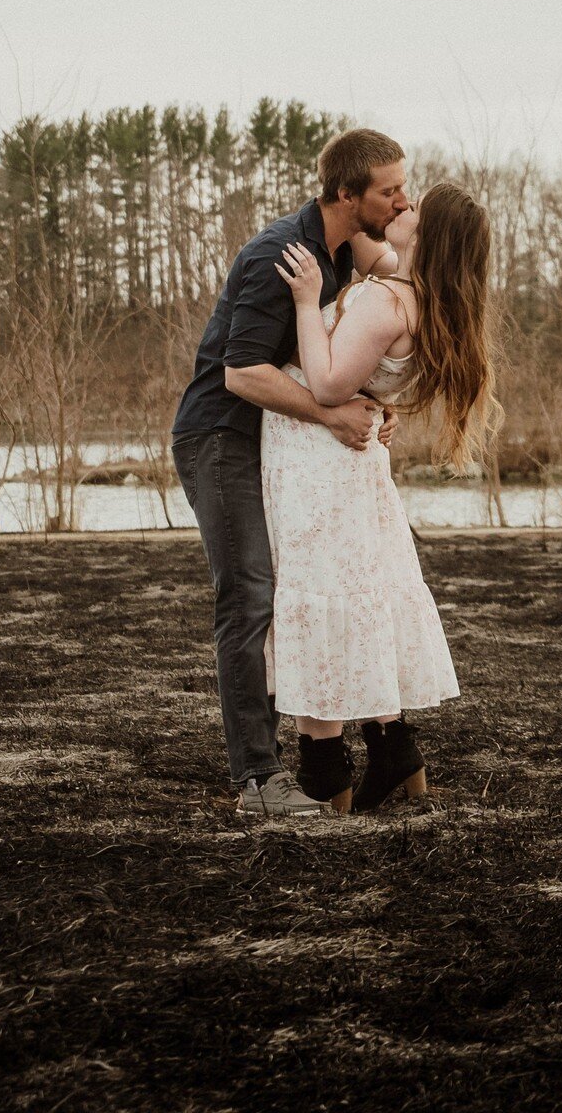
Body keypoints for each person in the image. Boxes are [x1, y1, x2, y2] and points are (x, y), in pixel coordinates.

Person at [171, 128, 411, 815]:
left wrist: (370, 403)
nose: (401, 199)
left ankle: (328, 763)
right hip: (221, 438)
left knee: (302, 590)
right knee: (249, 597)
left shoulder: (341, 254)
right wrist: (331, 416)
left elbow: (327, 356)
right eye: (389, 189)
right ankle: (256, 781)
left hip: (280, 444)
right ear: (346, 193)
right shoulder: (281, 254)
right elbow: (242, 373)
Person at [268, 180, 497, 813]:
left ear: (427, 235)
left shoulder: (383, 300)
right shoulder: (427, 303)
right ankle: (396, 753)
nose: (401, 208)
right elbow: (374, 375)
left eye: (412, 207)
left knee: (324, 599)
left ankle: (325, 773)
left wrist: (310, 298)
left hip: (317, 458)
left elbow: (327, 381)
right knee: (357, 596)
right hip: (354, 465)